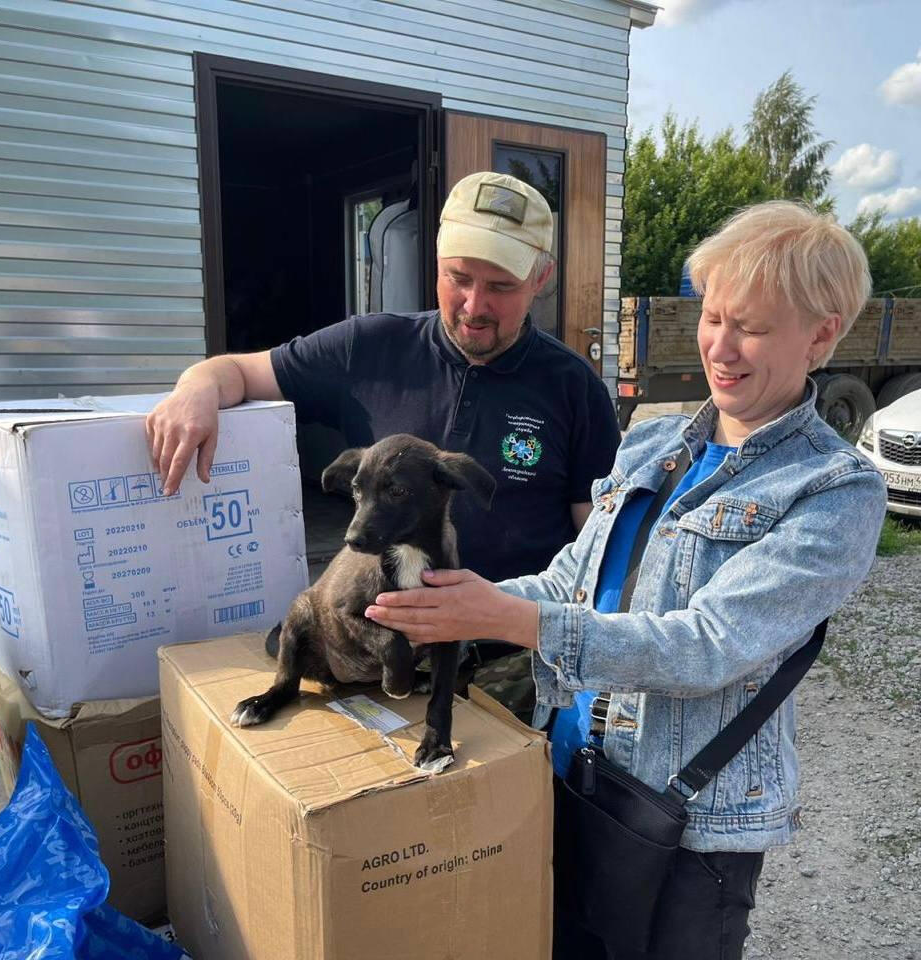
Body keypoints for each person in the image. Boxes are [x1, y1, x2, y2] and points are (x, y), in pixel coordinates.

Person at [363, 200, 888, 959]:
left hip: (687, 825)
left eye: (751, 327)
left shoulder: (833, 489)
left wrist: (512, 621)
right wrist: (457, 604)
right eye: (712, 316)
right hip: (570, 772)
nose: (720, 346)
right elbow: (570, 581)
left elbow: (705, 646)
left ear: (822, 334)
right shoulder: (654, 442)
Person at [146, 171, 620, 587]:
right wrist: (196, 389)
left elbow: (601, 543)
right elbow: (234, 372)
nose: (475, 306)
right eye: (458, 278)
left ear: (541, 278)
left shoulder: (574, 387)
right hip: (379, 635)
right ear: (437, 259)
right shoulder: (367, 346)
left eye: (501, 286)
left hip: (509, 647)